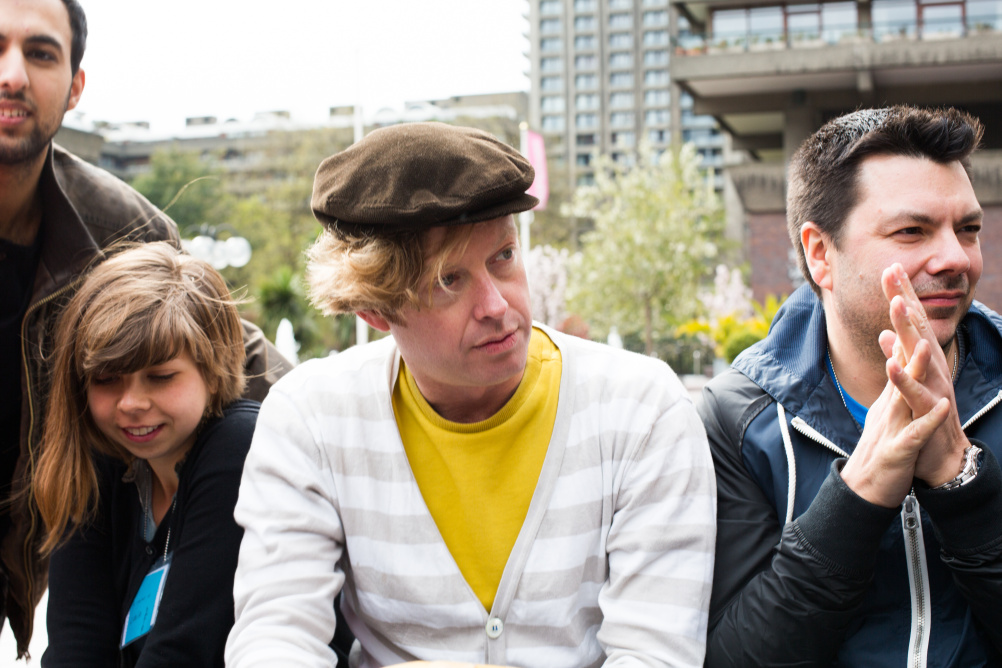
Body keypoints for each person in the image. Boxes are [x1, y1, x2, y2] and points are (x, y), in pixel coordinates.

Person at [225, 122, 717, 668]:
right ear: (374, 309)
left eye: (503, 256)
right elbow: (274, 638)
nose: (497, 305)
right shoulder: (310, 418)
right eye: (448, 281)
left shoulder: (642, 410)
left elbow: (657, 655)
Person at [0, 0, 289, 655]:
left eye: (40, 53)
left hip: (52, 518)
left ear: (74, 85)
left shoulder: (119, 232)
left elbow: (232, 356)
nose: (12, 74)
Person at [701, 105, 1002, 666]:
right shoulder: (738, 417)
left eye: (968, 229)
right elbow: (730, 655)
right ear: (821, 254)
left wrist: (962, 481)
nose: (956, 258)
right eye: (912, 231)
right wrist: (858, 499)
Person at [31, 242, 258, 667]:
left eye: (160, 377)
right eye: (107, 379)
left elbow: (183, 651)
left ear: (213, 368)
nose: (131, 403)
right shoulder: (99, 460)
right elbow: (76, 642)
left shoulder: (238, 448)